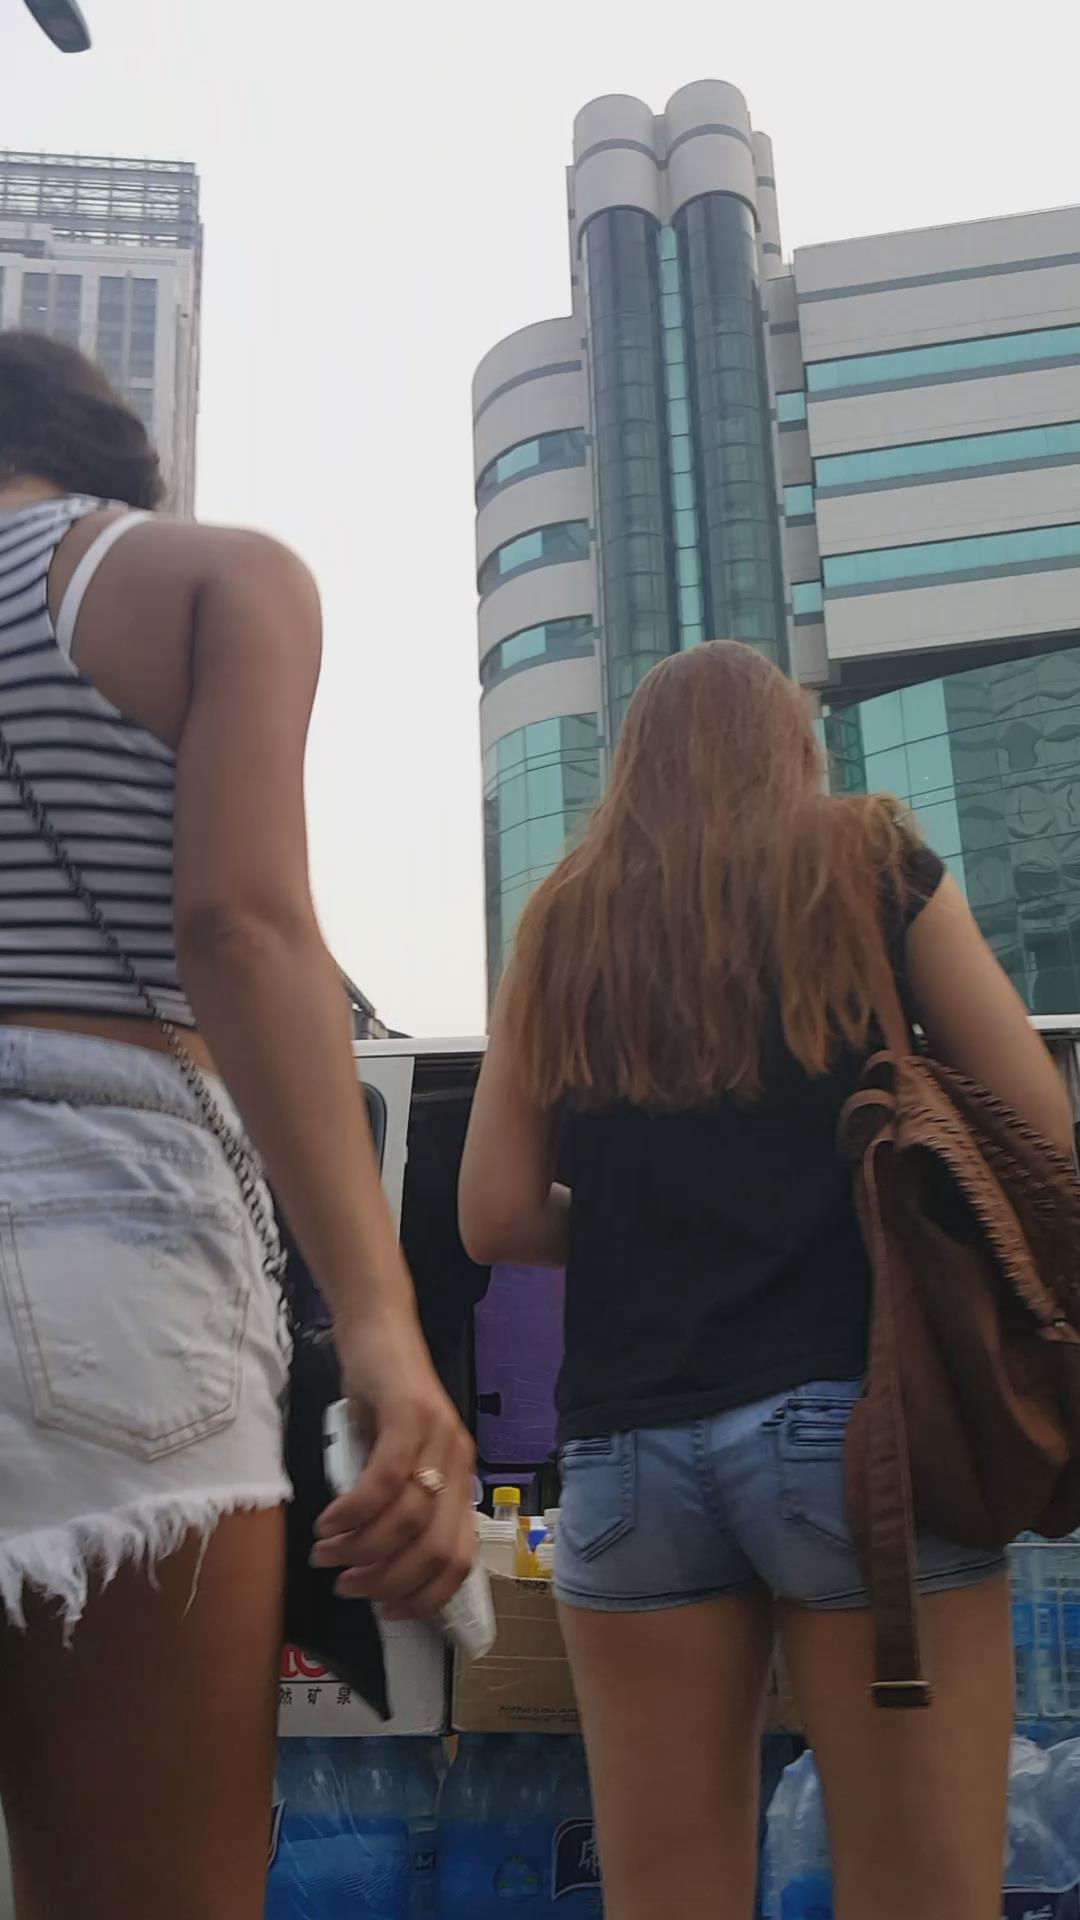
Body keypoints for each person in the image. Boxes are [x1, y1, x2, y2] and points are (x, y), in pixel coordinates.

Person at [459, 639, 1073, 1920]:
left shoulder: (561, 918)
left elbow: (495, 1214)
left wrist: (634, 1223)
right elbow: (1038, 1123)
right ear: (796, 746)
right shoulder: (871, 858)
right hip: (864, 1438)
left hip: (626, 1462)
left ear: (631, 769)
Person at [0, 331, 475, 1920]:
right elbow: (241, 926)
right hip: (106, 1257)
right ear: (118, 473)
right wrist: (384, 1326)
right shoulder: (205, 578)